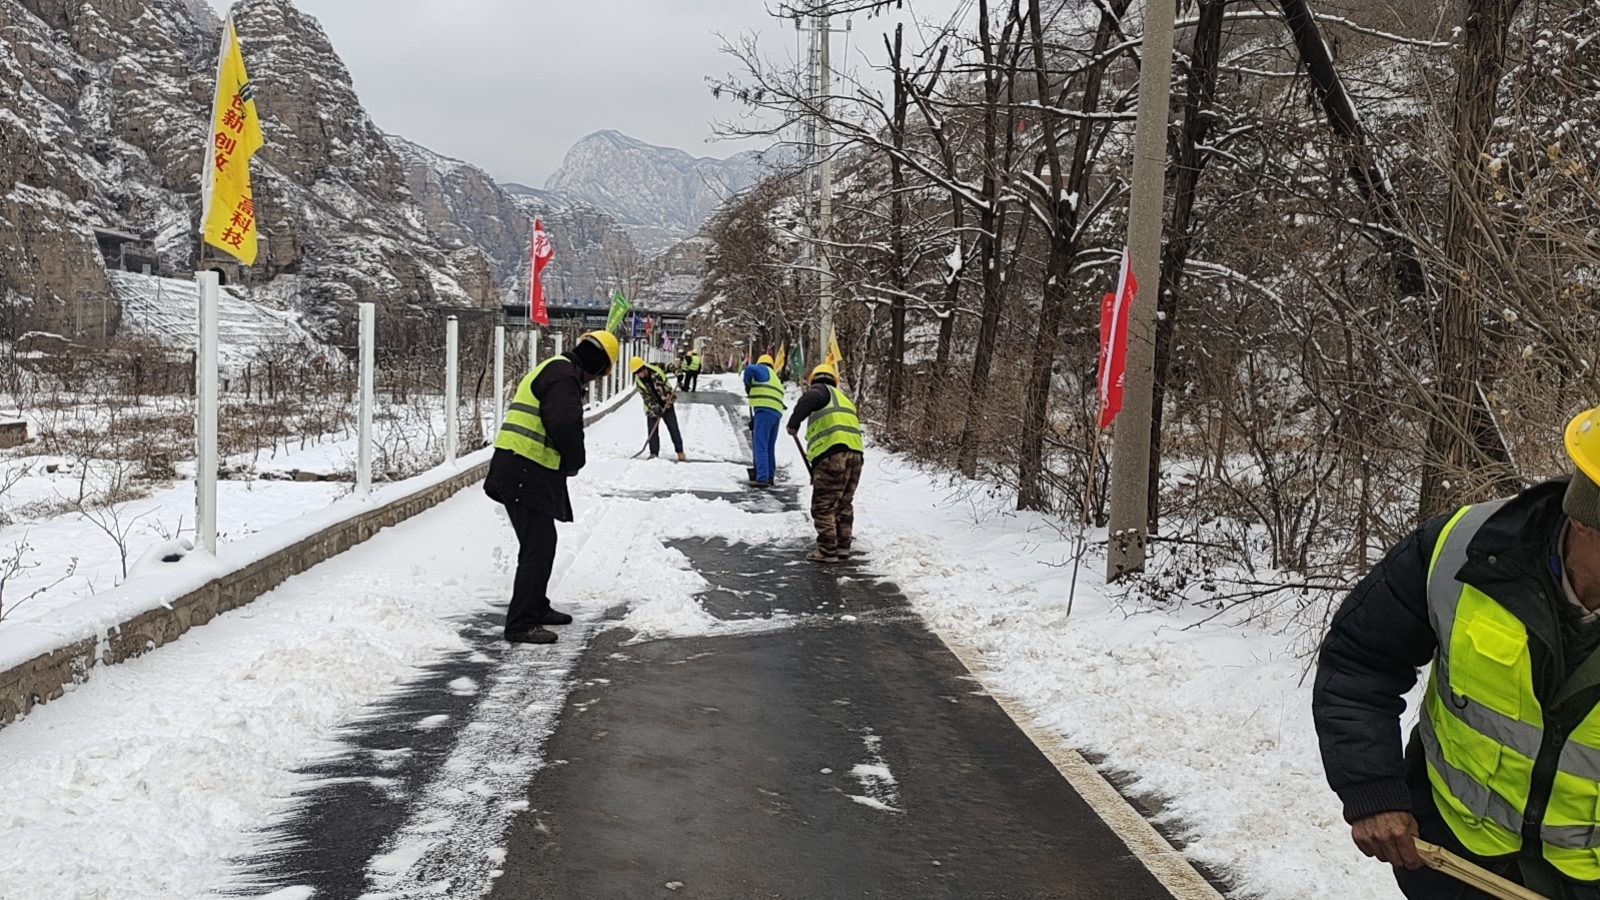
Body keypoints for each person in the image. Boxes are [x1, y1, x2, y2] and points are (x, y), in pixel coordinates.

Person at [1313, 404, 1600, 899]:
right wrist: (1372, 791)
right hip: (1456, 866)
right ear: (1587, 522)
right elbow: (1361, 662)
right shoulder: (1461, 550)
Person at [484, 330, 619, 645]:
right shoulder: (563, 375)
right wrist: (575, 459)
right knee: (538, 546)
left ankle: (537, 607)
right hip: (522, 467)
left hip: (525, 467)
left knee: (543, 543)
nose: (593, 382)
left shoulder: (558, 368)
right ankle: (521, 624)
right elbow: (562, 422)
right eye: (598, 376)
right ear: (598, 367)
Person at [786, 364, 864, 563]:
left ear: (814, 379)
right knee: (844, 503)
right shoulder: (844, 398)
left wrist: (794, 423)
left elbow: (809, 399)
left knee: (824, 504)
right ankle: (842, 546)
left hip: (833, 455)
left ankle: (828, 550)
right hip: (856, 456)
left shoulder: (820, 390)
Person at [629, 355, 685, 461]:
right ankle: (653, 453)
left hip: (667, 402)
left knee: (673, 428)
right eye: (636, 373)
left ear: (642, 368)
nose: (638, 375)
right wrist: (656, 409)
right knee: (652, 431)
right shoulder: (639, 382)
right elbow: (647, 398)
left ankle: (680, 451)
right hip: (652, 408)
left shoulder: (656, 367)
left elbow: (670, 366)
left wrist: (679, 374)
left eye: (638, 372)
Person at [742, 353, 784, 487]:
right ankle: (769, 476)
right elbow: (768, 396)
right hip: (775, 413)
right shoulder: (775, 378)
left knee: (760, 445)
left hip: (764, 411)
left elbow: (749, 369)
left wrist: (748, 383)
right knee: (769, 446)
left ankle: (761, 478)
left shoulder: (762, 369)